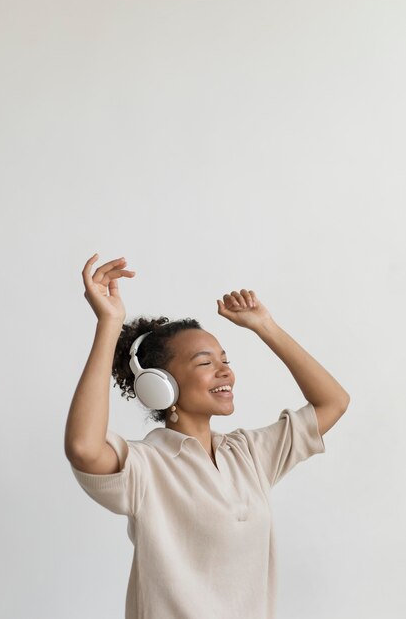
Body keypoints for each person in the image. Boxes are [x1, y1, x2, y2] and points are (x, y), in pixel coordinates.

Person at [64, 254, 350, 619]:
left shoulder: (248, 454)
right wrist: (109, 323)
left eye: (225, 360)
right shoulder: (147, 466)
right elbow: (83, 448)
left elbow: (333, 402)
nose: (224, 372)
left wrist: (266, 327)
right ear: (159, 386)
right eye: (204, 362)